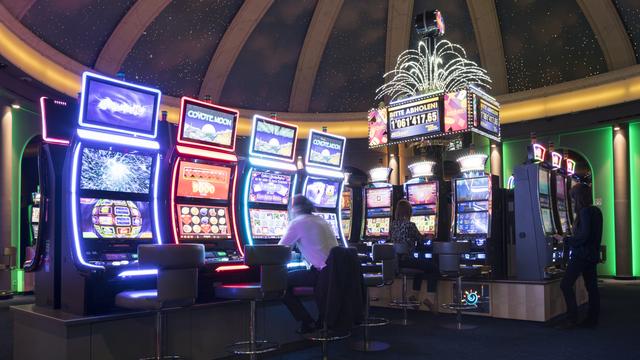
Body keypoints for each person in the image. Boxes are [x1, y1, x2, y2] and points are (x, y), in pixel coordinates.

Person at [278, 195, 339, 333]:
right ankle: (315, 321)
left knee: (280, 281)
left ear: (293, 209)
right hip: (336, 271)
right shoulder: (320, 220)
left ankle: (307, 321)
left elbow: (279, 250)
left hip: (322, 273)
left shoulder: (297, 222)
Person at [553, 183, 602, 328]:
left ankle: (572, 318)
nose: (573, 201)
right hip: (592, 255)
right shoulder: (596, 211)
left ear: (579, 197)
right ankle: (592, 319)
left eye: (573, 198)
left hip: (581, 255)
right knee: (592, 287)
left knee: (565, 285)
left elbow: (583, 236)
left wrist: (564, 239)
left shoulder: (585, 212)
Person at [389, 199, 438, 310]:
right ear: (409, 212)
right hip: (407, 261)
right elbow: (422, 241)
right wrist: (429, 237)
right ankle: (430, 299)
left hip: (395, 262)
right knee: (433, 267)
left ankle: (413, 296)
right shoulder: (410, 225)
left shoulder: (392, 225)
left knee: (420, 266)